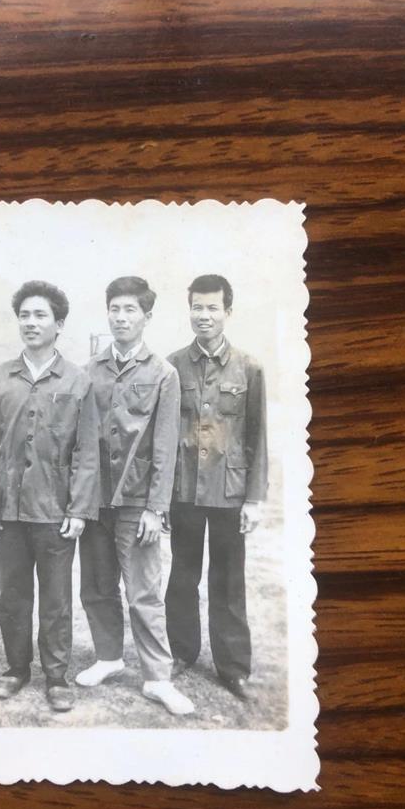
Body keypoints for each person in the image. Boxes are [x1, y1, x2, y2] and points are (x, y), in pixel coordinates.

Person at [0, 280, 99, 713]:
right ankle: (16, 668)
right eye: (24, 315)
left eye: (41, 315)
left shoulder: (78, 381)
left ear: (59, 324)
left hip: (55, 512)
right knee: (13, 595)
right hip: (8, 510)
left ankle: (57, 677)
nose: (31, 323)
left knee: (56, 599)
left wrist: (79, 509)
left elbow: (86, 451)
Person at [76, 276, 194, 716]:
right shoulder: (88, 370)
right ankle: (108, 657)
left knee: (143, 593)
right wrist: (79, 501)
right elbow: (79, 441)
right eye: (115, 309)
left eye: (130, 310)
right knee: (96, 586)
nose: (121, 317)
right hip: (94, 501)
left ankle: (158, 679)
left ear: (147, 316)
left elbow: (165, 447)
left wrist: (155, 509)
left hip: (137, 503)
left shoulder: (163, 373)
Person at [165, 274, 267, 701]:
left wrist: (254, 498)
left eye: (212, 308)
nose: (203, 315)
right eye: (197, 307)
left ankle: (233, 667)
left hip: (229, 491)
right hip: (184, 490)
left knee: (228, 580)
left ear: (228, 312)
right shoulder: (172, 365)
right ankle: (181, 652)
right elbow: (164, 436)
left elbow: (258, 436)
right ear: (188, 310)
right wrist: (162, 497)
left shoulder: (249, 367)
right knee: (182, 576)